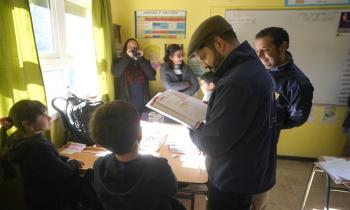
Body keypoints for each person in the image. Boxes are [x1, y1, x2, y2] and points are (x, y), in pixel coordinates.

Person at [187, 15, 278, 210]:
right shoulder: (251, 68)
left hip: (232, 179)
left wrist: (192, 126)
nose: (204, 65)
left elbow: (213, 143)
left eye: (203, 57)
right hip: (246, 171)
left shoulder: (237, 81)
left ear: (219, 43)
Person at [253, 27, 314, 210]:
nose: (260, 56)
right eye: (257, 51)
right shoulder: (261, 68)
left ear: (283, 47)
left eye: (265, 50)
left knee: (258, 189)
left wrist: (272, 121)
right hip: (244, 136)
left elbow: (297, 118)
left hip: (264, 141)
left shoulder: (298, 83)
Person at [89, 100, 185, 210]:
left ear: (101, 143)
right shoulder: (159, 167)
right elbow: (172, 190)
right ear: (139, 134)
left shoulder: (99, 165)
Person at [0, 100, 84, 210]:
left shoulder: (17, 138)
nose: (49, 118)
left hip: (34, 194)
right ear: (28, 125)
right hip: (51, 197)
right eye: (43, 116)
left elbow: (46, 160)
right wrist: (75, 163)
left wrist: (63, 158)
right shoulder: (39, 146)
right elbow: (61, 172)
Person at [112, 38, 156, 114]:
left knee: (141, 117)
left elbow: (152, 76)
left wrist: (141, 60)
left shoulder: (144, 61)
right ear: (125, 49)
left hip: (142, 96)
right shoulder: (120, 60)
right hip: (127, 96)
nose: (133, 49)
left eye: (135, 47)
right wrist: (127, 57)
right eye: (130, 47)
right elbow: (116, 73)